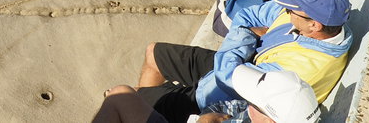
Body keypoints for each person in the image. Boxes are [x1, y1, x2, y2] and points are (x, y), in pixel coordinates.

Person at [135, 0, 351, 123]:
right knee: (153, 52)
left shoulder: (304, 68)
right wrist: (246, 34)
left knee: (134, 100)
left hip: (220, 94)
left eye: (291, 8)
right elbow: (247, 16)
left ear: (314, 25)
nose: (285, 10)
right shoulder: (316, 18)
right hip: (239, 62)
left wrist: (247, 35)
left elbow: (229, 77)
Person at [94, 66, 321, 123]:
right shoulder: (257, 115)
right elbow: (229, 107)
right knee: (120, 94)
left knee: (117, 98)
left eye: (254, 102)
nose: (247, 103)